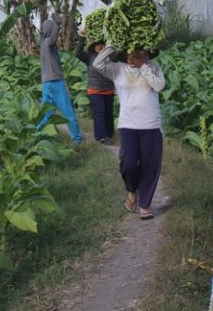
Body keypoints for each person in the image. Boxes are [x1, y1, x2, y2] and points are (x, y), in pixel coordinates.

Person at [94, 45, 165, 220]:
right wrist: (111, 46)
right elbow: (98, 64)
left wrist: (142, 66)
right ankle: (132, 190)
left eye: (143, 53)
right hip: (128, 125)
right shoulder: (118, 70)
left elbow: (159, 86)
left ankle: (145, 205)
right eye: (133, 53)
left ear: (148, 55)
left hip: (151, 126)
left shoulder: (154, 69)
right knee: (129, 163)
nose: (139, 56)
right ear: (126, 55)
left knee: (150, 165)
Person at [36, 15, 83, 144]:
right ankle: (77, 140)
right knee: (68, 112)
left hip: (46, 84)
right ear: (50, 30)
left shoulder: (43, 45)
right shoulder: (47, 43)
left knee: (46, 114)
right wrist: (58, 25)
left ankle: (37, 137)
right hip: (56, 82)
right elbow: (53, 39)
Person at [75, 31, 115, 144]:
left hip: (109, 89)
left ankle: (110, 134)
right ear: (93, 46)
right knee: (99, 113)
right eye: (97, 44)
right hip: (95, 90)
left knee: (108, 113)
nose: (100, 46)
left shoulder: (110, 56)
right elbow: (77, 53)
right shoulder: (89, 57)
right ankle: (100, 137)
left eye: (102, 44)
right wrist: (82, 37)